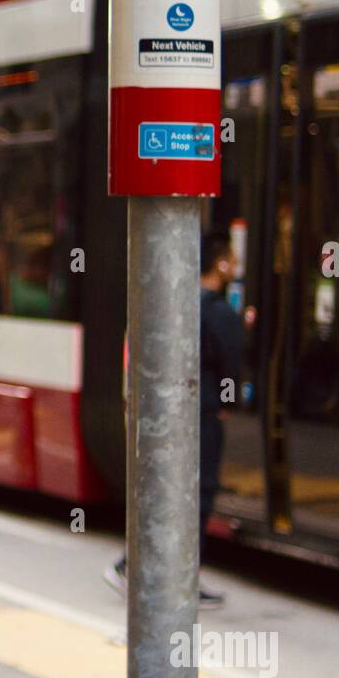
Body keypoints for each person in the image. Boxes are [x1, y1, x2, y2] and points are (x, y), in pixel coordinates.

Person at [103, 230, 244, 608]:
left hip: (168, 411)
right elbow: (232, 367)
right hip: (203, 414)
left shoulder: (169, 304)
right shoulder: (220, 314)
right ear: (221, 264)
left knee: (166, 487)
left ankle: (135, 565)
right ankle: (174, 577)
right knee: (199, 494)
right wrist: (229, 401)